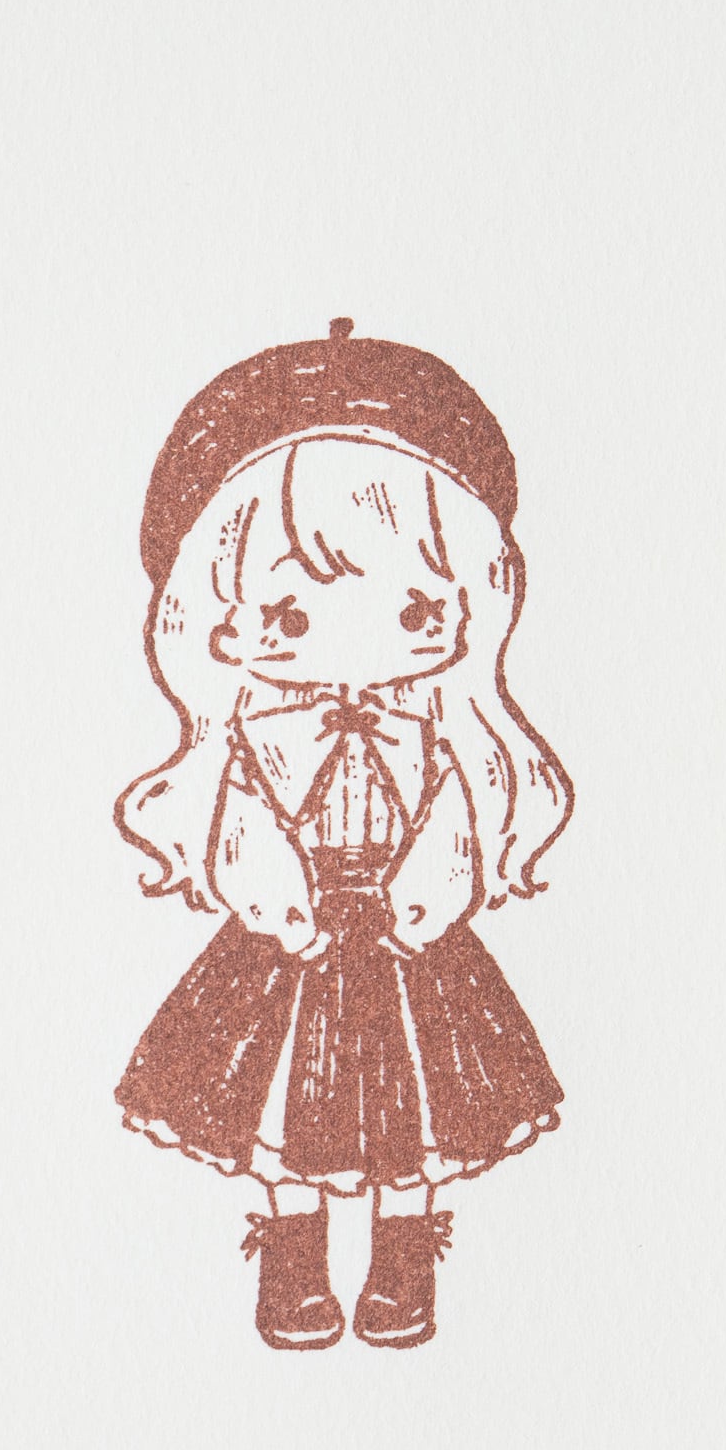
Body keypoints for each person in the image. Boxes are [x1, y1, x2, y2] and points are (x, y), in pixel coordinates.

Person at [115, 321, 573, 1350]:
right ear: (223, 619)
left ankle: (403, 1262)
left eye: (412, 608)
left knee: (415, 1117)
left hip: (409, 946)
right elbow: (244, 834)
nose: (353, 637)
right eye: (291, 613)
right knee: (287, 1109)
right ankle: (295, 1262)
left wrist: (424, 898)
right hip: (293, 946)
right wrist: (279, 902)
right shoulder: (260, 741)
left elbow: (450, 828)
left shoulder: (432, 739)